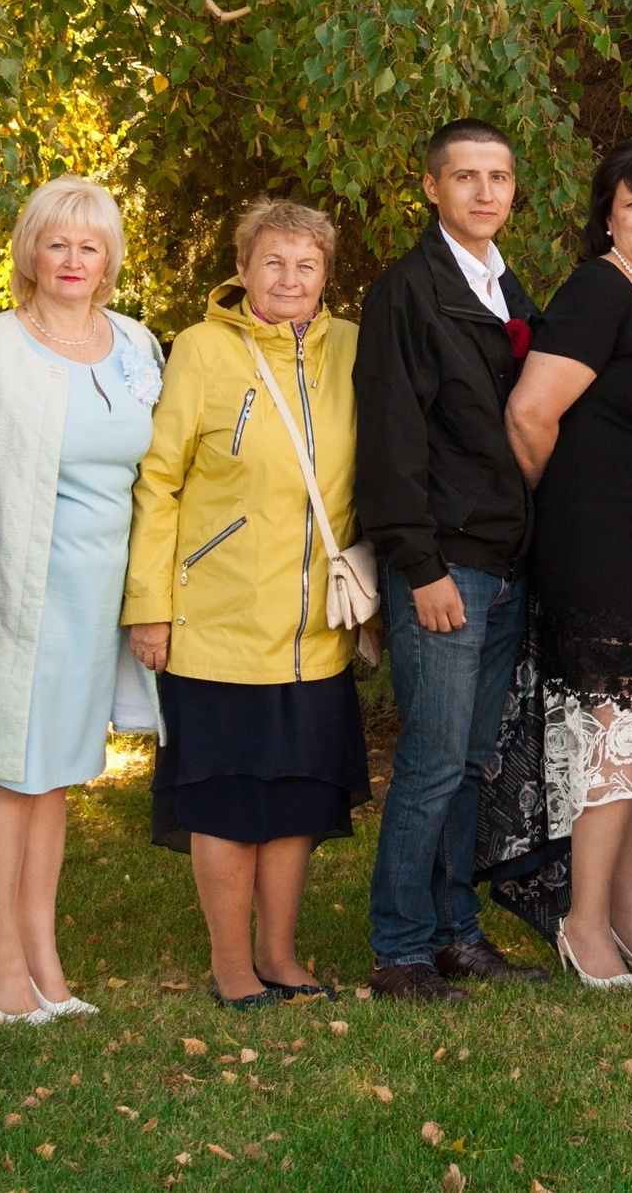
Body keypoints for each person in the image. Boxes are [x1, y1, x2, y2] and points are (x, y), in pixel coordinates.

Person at [123, 199, 371, 1009]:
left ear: (327, 274)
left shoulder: (353, 351)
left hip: (314, 628)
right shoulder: (201, 350)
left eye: (306, 265)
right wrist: (149, 606)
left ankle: (282, 956)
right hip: (218, 619)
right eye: (273, 263)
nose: (290, 279)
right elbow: (157, 483)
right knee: (229, 800)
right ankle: (232, 966)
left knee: (295, 795)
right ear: (243, 269)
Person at [352, 121, 552, 1001]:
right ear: (432, 188)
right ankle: (398, 948)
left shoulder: (507, 286)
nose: (483, 192)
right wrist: (419, 565)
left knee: (471, 761)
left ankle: (453, 930)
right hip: (445, 563)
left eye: (498, 177)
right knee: (432, 760)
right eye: (465, 177)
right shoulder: (409, 291)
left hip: (504, 560)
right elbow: (393, 438)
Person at [0, 176, 165, 1025]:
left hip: (99, 594)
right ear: (30, 254)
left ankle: (44, 958)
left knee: (57, 780)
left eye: (90, 245)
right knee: (12, 773)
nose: (73, 259)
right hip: (20, 590)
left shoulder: (136, 343)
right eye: (57, 243)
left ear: (110, 257)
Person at [504, 139, 632, 988]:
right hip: (599, 549)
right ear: (608, 217)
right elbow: (529, 412)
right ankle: (583, 924)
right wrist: (558, 508)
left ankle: (631, 919)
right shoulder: (597, 289)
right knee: (613, 743)